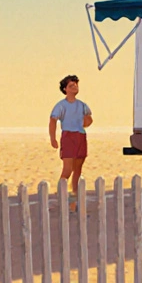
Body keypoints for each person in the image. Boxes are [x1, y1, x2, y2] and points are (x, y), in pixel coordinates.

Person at [49, 74, 93, 211]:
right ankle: (61, 197)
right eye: (71, 86)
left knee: (77, 171)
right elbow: (52, 121)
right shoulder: (61, 105)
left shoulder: (82, 105)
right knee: (67, 169)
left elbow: (89, 119)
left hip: (80, 136)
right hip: (68, 137)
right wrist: (53, 138)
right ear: (65, 89)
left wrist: (85, 122)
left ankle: (73, 202)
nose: (74, 87)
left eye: (75, 85)